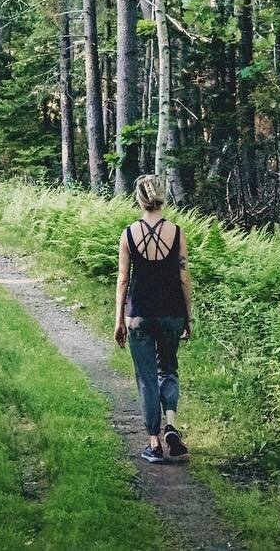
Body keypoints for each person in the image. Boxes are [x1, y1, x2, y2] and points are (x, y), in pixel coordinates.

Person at [114, 173, 193, 464]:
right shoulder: (177, 232)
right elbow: (184, 277)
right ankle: (171, 424)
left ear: (138, 198)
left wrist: (119, 319)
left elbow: (123, 280)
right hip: (171, 312)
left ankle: (154, 443)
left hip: (139, 314)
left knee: (146, 379)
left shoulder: (128, 234)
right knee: (169, 369)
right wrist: (189, 317)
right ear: (163, 197)